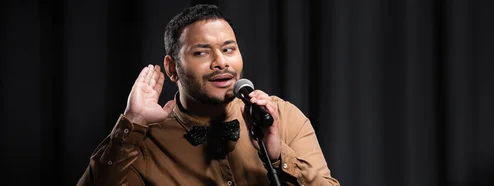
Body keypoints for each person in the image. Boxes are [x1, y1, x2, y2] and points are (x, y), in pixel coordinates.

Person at [76, 4, 338, 186]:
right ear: (172, 68)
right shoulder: (143, 141)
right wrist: (132, 123)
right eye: (201, 52)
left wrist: (278, 155)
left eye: (228, 49)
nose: (220, 62)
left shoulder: (282, 117)